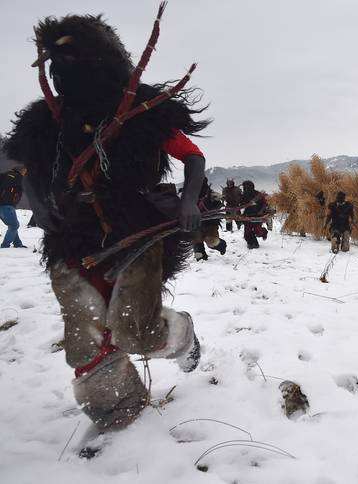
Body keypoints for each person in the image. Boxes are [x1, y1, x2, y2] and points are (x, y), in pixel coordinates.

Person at [5, 9, 208, 434]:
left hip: (136, 232)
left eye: (73, 59)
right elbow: (14, 159)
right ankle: (119, 410)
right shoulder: (45, 122)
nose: (63, 71)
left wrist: (190, 200)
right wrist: (41, 207)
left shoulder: (141, 110)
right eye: (57, 63)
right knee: (83, 330)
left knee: (135, 330)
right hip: (71, 238)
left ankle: (182, 335)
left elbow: (191, 154)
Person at [193, 177, 227, 260]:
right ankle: (200, 257)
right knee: (196, 240)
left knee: (211, 241)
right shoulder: (190, 194)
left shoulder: (211, 195)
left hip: (210, 223)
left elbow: (218, 205)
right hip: (195, 222)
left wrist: (214, 202)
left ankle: (221, 245)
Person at [0, 167, 28, 248]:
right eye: (25, 171)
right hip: (6, 205)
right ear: (21, 170)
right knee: (14, 225)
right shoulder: (14, 176)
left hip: (6, 205)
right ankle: (5, 246)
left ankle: (17, 243)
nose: (26, 173)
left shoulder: (6, 175)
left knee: (12, 224)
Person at [241, 180, 268, 249]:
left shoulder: (258, 194)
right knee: (247, 232)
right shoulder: (243, 195)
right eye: (244, 187)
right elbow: (240, 204)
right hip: (247, 215)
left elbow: (264, 203)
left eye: (247, 187)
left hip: (257, 215)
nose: (245, 188)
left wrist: (261, 211)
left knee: (258, 232)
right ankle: (252, 244)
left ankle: (264, 232)